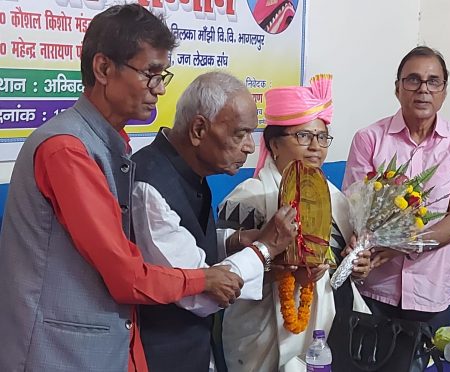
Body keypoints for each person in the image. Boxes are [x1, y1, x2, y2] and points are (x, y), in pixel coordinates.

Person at [0, 5, 244, 372]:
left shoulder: (111, 145)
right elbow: (124, 275)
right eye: (150, 74)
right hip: (58, 353)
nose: (160, 89)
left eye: (163, 75)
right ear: (103, 69)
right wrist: (203, 278)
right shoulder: (67, 149)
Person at [131, 71, 298, 372]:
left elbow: (183, 243)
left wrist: (232, 242)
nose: (249, 146)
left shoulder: (189, 171)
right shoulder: (150, 186)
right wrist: (264, 248)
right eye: (240, 133)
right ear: (198, 129)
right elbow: (198, 293)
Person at [217, 74, 371, 372]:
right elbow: (224, 275)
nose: (316, 147)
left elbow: (340, 268)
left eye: (322, 137)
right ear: (274, 144)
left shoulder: (335, 198)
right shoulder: (248, 198)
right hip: (264, 335)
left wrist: (359, 265)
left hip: (329, 333)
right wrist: (277, 270)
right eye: (303, 136)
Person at [342, 46, 450, 331]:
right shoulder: (369, 139)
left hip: (431, 293)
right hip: (374, 289)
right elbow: (354, 209)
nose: (423, 89)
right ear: (397, 89)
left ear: (444, 91)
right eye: (412, 80)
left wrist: (400, 247)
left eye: (433, 81)